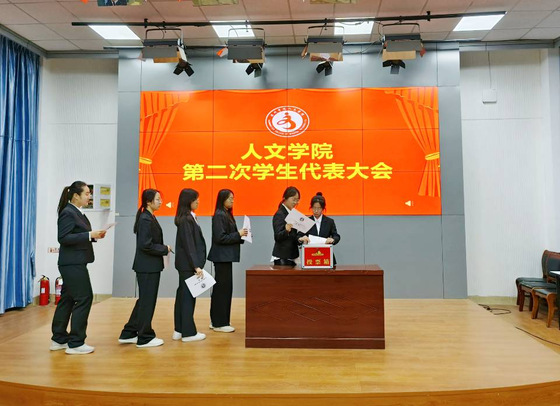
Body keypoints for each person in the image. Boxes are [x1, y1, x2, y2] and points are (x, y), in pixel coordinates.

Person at [50, 181, 106, 355]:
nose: (90, 197)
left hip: (75, 262)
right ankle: (76, 343)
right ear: (76, 195)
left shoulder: (77, 212)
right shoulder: (68, 212)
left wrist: (93, 236)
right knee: (84, 297)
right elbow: (63, 238)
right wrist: (89, 235)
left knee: (67, 299)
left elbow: (76, 235)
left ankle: (58, 339)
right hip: (72, 263)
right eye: (87, 194)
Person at [118, 189, 171, 348]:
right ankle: (144, 337)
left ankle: (129, 332)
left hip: (149, 266)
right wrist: (164, 248)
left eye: (161, 199)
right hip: (147, 266)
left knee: (144, 301)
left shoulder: (148, 217)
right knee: (147, 302)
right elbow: (145, 245)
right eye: (158, 199)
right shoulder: (145, 219)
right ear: (148, 201)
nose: (161, 202)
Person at [207, 189, 248, 333]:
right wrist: (238, 234)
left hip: (225, 257)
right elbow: (220, 238)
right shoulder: (219, 215)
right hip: (221, 257)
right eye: (230, 198)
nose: (232, 200)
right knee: (222, 290)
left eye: (233, 198)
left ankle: (220, 319)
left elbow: (229, 235)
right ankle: (219, 322)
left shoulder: (226, 213)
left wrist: (241, 235)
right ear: (222, 199)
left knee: (224, 289)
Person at [173, 188, 207, 342]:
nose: (198, 201)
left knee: (182, 295)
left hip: (185, 265)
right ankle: (188, 333)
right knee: (188, 297)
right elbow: (189, 244)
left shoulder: (187, 217)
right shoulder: (187, 219)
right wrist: (196, 266)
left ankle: (179, 329)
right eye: (195, 199)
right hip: (188, 265)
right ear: (188, 201)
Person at [299, 192, 341, 264]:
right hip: (310, 256)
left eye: (318, 208)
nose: (316, 211)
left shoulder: (329, 221)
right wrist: (301, 238)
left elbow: (336, 236)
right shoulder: (306, 221)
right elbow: (298, 236)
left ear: (323, 208)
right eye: (314, 208)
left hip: (326, 255)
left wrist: (333, 240)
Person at [271, 186, 307, 266]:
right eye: (293, 199)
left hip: (292, 255)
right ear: (285, 198)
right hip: (282, 257)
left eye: (297, 200)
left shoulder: (292, 213)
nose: (295, 202)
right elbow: (277, 237)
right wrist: (286, 230)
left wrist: (300, 239)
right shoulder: (280, 214)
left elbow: (293, 235)